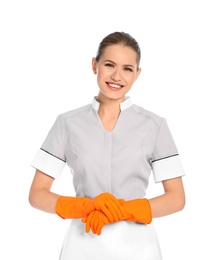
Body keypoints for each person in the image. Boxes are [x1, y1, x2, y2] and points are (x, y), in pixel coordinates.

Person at [29, 31, 185, 260]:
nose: (117, 76)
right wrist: (87, 206)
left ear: (137, 74)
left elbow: (176, 198)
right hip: (82, 244)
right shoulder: (67, 123)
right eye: (109, 64)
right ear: (95, 65)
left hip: (138, 248)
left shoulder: (155, 126)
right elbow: (37, 194)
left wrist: (123, 210)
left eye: (127, 69)